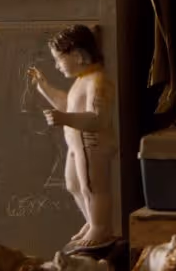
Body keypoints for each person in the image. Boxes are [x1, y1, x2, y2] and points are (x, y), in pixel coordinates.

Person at [28, 24, 116, 250]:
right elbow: (68, 105)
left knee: (93, 187)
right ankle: (92, 221)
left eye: (59, 59)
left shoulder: (97, 81)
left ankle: (100, 226)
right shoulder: (82, 81)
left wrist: (64, 119)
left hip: (91, 145)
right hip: (77, 146)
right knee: (74, 185)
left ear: (77, 55)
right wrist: (44, 87)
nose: (57, 66)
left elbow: (98, 119)